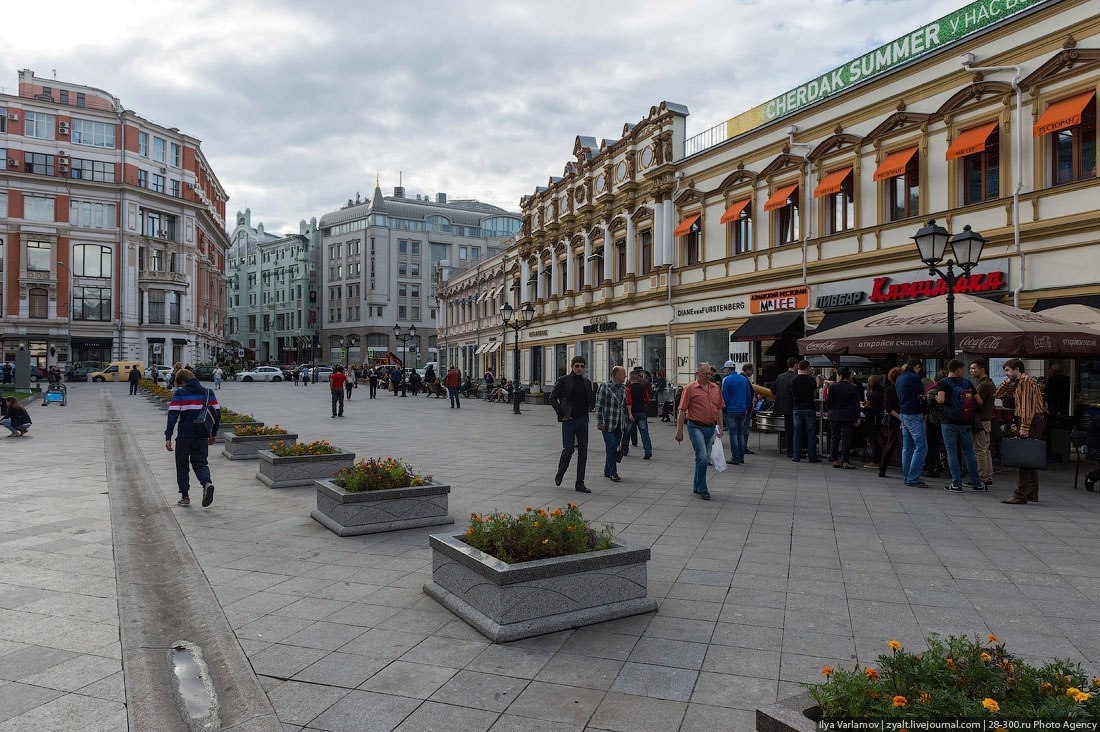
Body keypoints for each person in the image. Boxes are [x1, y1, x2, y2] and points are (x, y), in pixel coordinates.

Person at [165, 368, 219, 507]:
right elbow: (217, 414)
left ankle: (185, 496)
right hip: (201, 435)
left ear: (182, 381)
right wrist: (213, 434)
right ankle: (206, 483)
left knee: (182, 465)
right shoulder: (208, 392)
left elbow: (173, 415)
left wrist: (168, 436)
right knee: (201, 463)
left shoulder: (180, 393)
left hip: (184, 436)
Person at [995, 359, 1045, 504]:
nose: (1006, 374)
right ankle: (1031, 493)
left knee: (1023, 456)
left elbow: (1026, 406)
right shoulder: (1017, 382)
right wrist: (1008, 380)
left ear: (1017, 369)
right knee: (1029, 456)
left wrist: (1024, 427)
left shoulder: (1025, 381)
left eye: (1008, 370)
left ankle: (1021, 494)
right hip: (1031, 420)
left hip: (1031, 420)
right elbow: (998, 394)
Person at [933, 359, 986, 492]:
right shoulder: (967, 383)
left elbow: (941, 400)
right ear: (957, 370)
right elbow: (980, 401)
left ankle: (956, 483)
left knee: (951, 452)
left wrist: (936, 399)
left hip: (948, 422)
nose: (964, 372)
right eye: (962, 369)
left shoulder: (942, 383)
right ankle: (977, 483)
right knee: (969, 452)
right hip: (965, 422)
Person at [675, 363, 725, 500]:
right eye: (705, 374)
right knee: (702, 456)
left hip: (711, 427)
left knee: (703, 458)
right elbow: (682, 410)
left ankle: (697, 486)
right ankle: (703, 488)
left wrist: (720, 426)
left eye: (710, 374)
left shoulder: (716, 388)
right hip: (695, 426)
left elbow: (719, 408)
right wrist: (679, 431)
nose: (708, 376)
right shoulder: (690, 388)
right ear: (698, 373)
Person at [551, 356, 595, 493]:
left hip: (583, 420)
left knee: (583, 452)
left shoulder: (587, 382)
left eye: (582, 366)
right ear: (572, 366)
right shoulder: (564, 380)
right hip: (569, 420)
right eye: (577, 366)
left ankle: (580, 483)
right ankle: (561, 471)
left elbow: (590, 398)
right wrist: (561, 413)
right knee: (569, 450)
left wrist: (591, 407)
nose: (579, 368)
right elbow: (552, 397)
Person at [896, 358, 929, 488]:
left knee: (907, 447)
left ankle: (907, 476)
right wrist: (924, 412)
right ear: (917, 367)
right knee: (921, 446)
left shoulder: (900, 378)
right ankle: (913, 477)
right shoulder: (914, 378)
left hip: (903, 413)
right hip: (914, 414)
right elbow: (922, 397)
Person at [595, 366, 629, 483]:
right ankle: (613, 473)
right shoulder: (605, 386)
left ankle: (607, 470)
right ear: (616, 374)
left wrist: (626, 422)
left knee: (611, 447)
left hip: (619, 424)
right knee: (613, 446)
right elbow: (599, 405)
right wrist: (600, 421)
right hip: (608, 423)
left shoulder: (624, 388)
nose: (625, 375)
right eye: (623, 373)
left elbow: (623, 407)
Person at [826, 367, 861, 469]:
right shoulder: (853, 387)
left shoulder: (833, 387)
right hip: (848, 415)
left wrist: (831, 409)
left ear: (840, 376)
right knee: (846, 438)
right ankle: (845, 461)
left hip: (835, 414)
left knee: (835, 437)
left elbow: (828, 401)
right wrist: (857, 418)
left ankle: (834, 460)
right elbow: (856, 404)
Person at [969, 360, 997, 487]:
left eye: (973, 368)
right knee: (985, 449)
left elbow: (977, 402)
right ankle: (988, 476)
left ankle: (981, 477)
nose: (971, 371)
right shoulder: (989, 383)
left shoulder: (983, 385)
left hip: (981, 420)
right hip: (987, 419)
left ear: (982, 369)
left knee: (980, 449)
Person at [721, 360, 753, 465]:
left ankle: (735, 457)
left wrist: (723, 410)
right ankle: (741, 456)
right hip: (743, 410)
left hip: (730, 410)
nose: (724, 371)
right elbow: (749, 396)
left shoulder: (726, 380)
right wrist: (747, 407)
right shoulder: (744, 379)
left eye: (724, 369)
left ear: (728, 369)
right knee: (741, 434)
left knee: (733, 434)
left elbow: (724, 396)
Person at [790, 361, 820, 463]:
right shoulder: (811, 380)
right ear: (807, 368)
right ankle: (812, 457)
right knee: (811, 432)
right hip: (809, 407)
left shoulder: (793, 380)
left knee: (797, 432)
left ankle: (796, 456)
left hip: (797, 408)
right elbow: (814, 393)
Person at [623, 370, 653, 460]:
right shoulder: (643, 388)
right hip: (642, 412)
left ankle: (625, 450)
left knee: (627, 432)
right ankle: (648, 451)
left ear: (630, 378)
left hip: (632, 412)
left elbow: (629, 402)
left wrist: (630, 413)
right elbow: (647, 400)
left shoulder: (628, 389)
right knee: (644, 433)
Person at [878, 368, 903, 478]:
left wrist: (898, 416)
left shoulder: (889, 389)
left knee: (890, 444)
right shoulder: (903, 389)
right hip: (904, 418)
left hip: (893, 419)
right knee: (906, 446)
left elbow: (887, 407)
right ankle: (906, 469)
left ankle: (882, 468)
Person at [773, 357, 798, 458]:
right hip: (794, 406)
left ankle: (789, 450)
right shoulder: (795, 377)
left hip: (782, 406)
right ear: (796, 365)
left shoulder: (780, 376)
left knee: (788, 429)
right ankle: (794, 450)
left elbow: (773, 390)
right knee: (796, 429)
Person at [863, 374, 885, 468]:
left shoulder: (872, 394)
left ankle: (876, 460)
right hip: (879, 418)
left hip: (872, 419)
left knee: (873, 439)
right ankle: (879, 458)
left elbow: (872, 408)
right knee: (875, 439)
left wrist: (865, 407)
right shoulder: (881, 393)